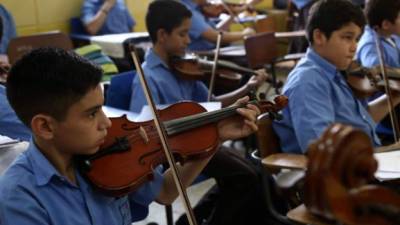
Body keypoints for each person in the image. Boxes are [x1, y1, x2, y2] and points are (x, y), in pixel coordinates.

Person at [0, 47, 260, 225]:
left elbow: (167, 192)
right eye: (91, 114)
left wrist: (215, 136)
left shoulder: (108, 151)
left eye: (102, 107)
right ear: (45, 127)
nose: (105, 121)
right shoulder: (19, 198)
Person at [129, 1, 269, 225]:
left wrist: (246, 89)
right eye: (183, 34)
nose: (188, 40)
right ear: (162, 34)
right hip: (174, 152)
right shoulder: (147, 79)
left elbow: (211, 104)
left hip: (200, 138)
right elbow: (143, 133)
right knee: (245, 177)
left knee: (251, 171)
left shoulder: (184, 68)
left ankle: (190, 220)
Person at [273, 0, 400, 154]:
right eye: (347, 37)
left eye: (356, 39)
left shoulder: (334, 71)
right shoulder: (308, 82)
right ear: (319, 37)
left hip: (366, 161)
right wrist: (386, 152)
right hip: (343, 172)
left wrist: (394, 97)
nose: (354, 47)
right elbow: (323, 151)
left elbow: (361, 120)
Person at [356, 0, 400, 143]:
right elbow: (377, 75)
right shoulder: (370, 45)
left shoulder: (392, 37)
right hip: (388, 112)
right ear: (386, 24)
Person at [180, 0, 256, 51]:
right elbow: (215, 37)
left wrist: (233, 15)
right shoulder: (187, 10)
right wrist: (245, 34)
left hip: (214, 51)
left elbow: (216, 31)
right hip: (206, 56)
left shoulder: (197, 8)